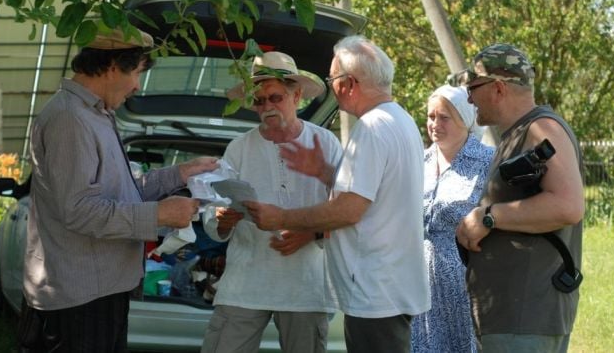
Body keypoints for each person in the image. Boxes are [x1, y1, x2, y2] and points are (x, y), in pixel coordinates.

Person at [23, 27, 219, 352]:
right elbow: (81, 211)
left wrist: (179, 173)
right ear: (113, 65)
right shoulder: (70, 120)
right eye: (137, 72)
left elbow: (120, 193)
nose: (137, 86)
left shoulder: (96, 114)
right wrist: (159, 214)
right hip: (77, 302)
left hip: (99, 293)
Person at [244, 35, 430, 353]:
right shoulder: (400, 120)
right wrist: (326, 172)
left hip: (374, 293)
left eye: (331, 80)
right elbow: (376, 194)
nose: (332, 87)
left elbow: (348, 210)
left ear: (346, 84)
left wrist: (282, 217)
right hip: (390, 288)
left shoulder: (371, 129)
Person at [200, 51, 342, 353]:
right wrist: (221, 218)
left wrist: (312, 233)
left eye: (275, 98)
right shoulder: (239, 147)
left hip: (306, 285)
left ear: (297, 95)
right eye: (259, 101)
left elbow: (347, 210)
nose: (267, 107)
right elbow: (212, 211)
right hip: (245, 281)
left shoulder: (325, 142)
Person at [451, 43, 584, 353]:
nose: (469, 97)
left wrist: (488, 216)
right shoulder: (520, 132)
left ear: (498, 88)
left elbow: (568, 205)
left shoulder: (541, 129)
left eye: (474, 87)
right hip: (513, 317)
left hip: (526, 318)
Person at [411, 85, 493, 353]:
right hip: (421, 286)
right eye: (430, 116)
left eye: (443, 117)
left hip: (466, 286)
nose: (434, 124)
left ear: (465, 120)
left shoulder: (487, 162)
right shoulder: (419, 163)